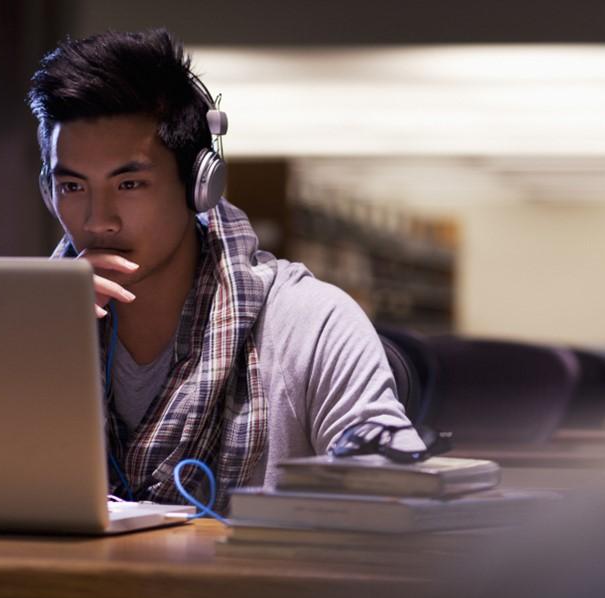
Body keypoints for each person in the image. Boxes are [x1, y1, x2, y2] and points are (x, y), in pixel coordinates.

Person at [27, 28, 414, 510]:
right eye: (73, 187)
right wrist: (37, 348)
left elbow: (397, 498)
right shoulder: (27, 329)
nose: (97, 220)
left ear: (199, 185)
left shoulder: (310, 324)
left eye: (129, 185)